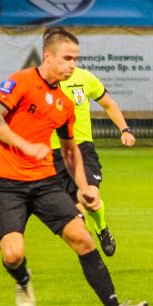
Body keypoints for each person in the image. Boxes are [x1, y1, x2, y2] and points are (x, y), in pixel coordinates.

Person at [0, 27, 147, 306]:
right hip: (7, 182)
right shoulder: (20, 81)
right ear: (48, 57)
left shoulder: (65, 104)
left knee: (82, 238)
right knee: (13, 255)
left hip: (45, 182)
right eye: (67, 58)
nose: (73, 65)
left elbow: (70, 151)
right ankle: (23, 279)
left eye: (76, 59)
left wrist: (84, 188)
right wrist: (25, 146)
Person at [49, 61, 137, 255]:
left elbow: (108, 104)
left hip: (82, 149)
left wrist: (125, 129)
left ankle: (102, 228)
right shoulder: (41, 82)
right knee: (75, 214)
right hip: (53, 154)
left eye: (72, 57)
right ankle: (90, 252)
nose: (70, 62)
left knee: (90, 196)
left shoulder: (84, 77)